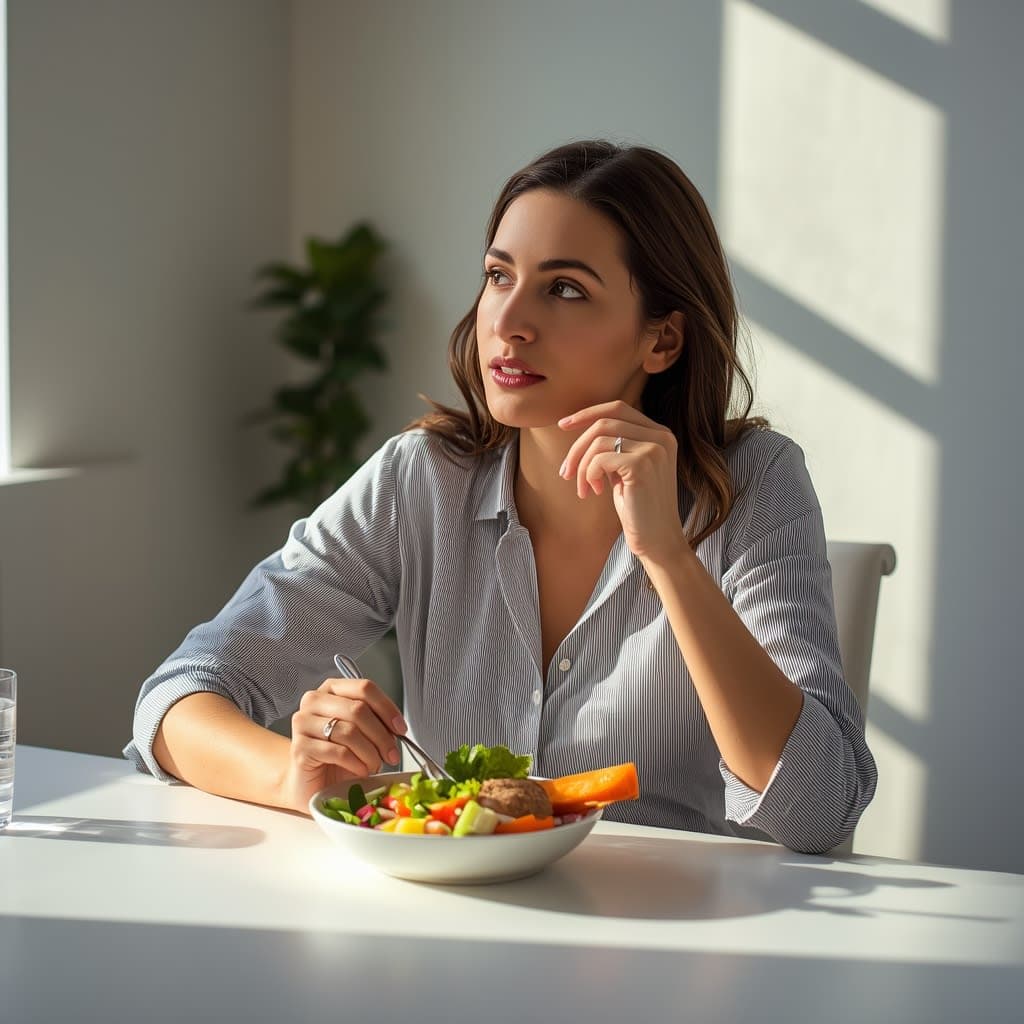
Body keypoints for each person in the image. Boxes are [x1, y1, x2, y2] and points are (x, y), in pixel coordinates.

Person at [125, 139, 876, 854]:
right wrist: (294, 777)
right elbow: (178, 699)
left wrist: (670, 560)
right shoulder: (421, 479)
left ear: (663, 341)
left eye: (566, 289)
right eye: (498, 275)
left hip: (669, 947)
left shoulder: (754, 486)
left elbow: (818, 809)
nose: (508, 323)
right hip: (450, 933)